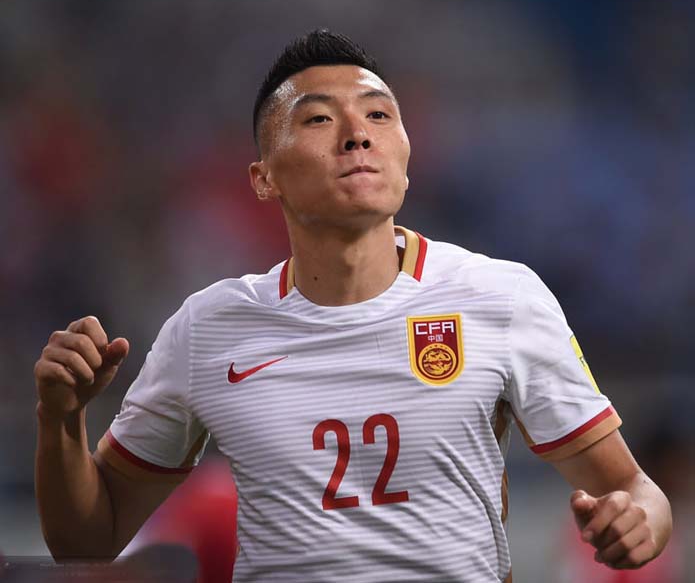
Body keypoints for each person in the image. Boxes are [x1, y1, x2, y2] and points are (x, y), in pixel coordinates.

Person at [34, 30, 672, 582]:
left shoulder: (501, 297)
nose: (357, 136)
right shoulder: (207, 327)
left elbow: (632, 488)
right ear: (263, 178)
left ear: (406, 159)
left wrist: (639, 520)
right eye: (317, 119)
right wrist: (60, 420)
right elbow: (87, 541)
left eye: (379, 116)